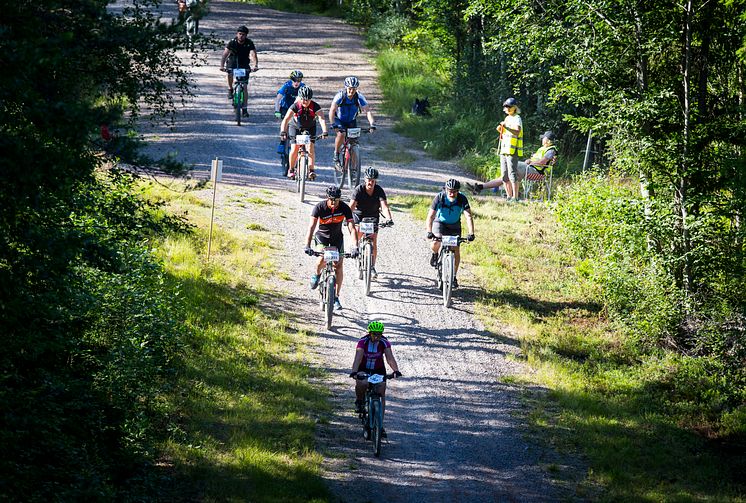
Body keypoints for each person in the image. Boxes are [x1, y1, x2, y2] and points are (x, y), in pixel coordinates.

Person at [304, 186, 357, 311]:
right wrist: (307, 245)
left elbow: (352, 228)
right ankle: (317, 275)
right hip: (322, 237)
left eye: (336, 200)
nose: (334, 203)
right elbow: (311, 227)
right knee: (322, 259)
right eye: (331, 200)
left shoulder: (344, 208)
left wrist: (355, 246)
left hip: (337, 239)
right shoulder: (319, 207)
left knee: (338, 265)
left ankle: (336, 297)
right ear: (327, 198)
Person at [349, 320, 402, 436]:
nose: (377, 336)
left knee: (381, 392)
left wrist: (395, 370)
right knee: (362, 383)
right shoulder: (363, 342)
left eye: (379, 334)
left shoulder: (384, 342)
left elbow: (390, 358)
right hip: (364, 368)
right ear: (370, 333)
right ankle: (359, 401)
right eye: (374, 334)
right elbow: (358, 358)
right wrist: (354, 372)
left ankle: (380, 425)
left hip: (378, 370)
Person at [466, 131, 557, 195]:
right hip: (530, 169)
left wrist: (530, 162)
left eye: (543, 138)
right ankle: (479, 187)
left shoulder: (551, 150)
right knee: (506, 174)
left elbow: (542, 162)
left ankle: (513, 194)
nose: (542, 139)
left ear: (548, 140)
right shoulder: (543, 148)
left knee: (511, 167)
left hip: (537, 172)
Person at [425, 179, 475, 288]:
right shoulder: (440, 197)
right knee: (436, 241)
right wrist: (429, 231)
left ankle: (453, 277)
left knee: (455, 250)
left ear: (458, 191)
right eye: (449, 191)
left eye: (454, 191)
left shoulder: (462, 198)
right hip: (440, 223)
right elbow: (430, 216)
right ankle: (435, 254)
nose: (452, 193)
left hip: (454, 225)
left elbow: (468, 216)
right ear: (446, 189)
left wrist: (471, 233)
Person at [348, 167, 394, 279]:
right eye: (369, 180)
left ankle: (372, 266)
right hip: (359, 216)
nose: (371, 182)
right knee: (358, 233)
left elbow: (384, 207)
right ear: (365, 179)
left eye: (373, 180)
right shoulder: (359, 190)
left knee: (373, 241)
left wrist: (389, 219)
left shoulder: (379, 190)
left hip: (373, 216)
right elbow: (351, 207)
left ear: (376, 181)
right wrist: (347, 219)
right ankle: (355, 247)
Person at [280, 86, 328, 180]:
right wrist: (283, 131)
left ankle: (311, 170)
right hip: (295, 127)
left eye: (308, 100)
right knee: (294, 148)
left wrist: (325, 131)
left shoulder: (315, 106)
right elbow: (286, 120)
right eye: (303, 99)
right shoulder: (295, 106)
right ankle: (291, 169)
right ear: (300, 98)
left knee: (310, 147)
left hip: (310, 127)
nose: (305, 102)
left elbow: (322, 119)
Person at [328, 76, 376, 168]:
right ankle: (336, 155)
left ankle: (353, 169)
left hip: (351, 121)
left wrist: (372, 124)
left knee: (354, 143)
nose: (351, 91)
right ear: (346, 88)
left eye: (354, 89)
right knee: (341, 134)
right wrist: (333, 124)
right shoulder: (340, 96)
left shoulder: (359, 96)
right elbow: (332, 111)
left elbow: (367, 111)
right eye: (350, 89)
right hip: (339, 120)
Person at [219, 25, 258, 117]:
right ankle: (230, 89)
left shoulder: (249, 43)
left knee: (244, 87)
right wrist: (221, 65)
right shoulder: (232, 42)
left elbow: (253, 54)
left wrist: (255, 65)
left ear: (246, 35)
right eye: (240, 34)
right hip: (233, 62)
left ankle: (244, 109)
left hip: (244, 64)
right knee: (229, 72)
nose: (241, 36)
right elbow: (225, 54)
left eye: (243, 34)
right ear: (237, 34)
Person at [496, 97, 523, 201]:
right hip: (504, 149)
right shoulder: (507, 118)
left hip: (512, 150)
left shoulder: (517, 118)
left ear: (514, 108)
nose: (506, 108)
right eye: (505, 106)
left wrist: (506, 127)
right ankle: (508, 196)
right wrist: (500, 130)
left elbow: (517, 131)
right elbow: (506, 132)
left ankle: (515, 198)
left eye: (508, 106)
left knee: (512, 174)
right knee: (504, 175)